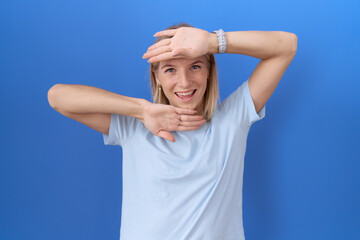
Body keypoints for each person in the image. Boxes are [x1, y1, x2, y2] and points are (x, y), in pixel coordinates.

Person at [47, 22, 297, 240]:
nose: (185, 82)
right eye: (170, 70)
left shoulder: (231, 119)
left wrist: (211, 42)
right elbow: (58, 97)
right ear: (156, 77)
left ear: (209, 72)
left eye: (195, 66)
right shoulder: (135, 126)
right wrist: (142, 110)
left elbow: (286, 46)